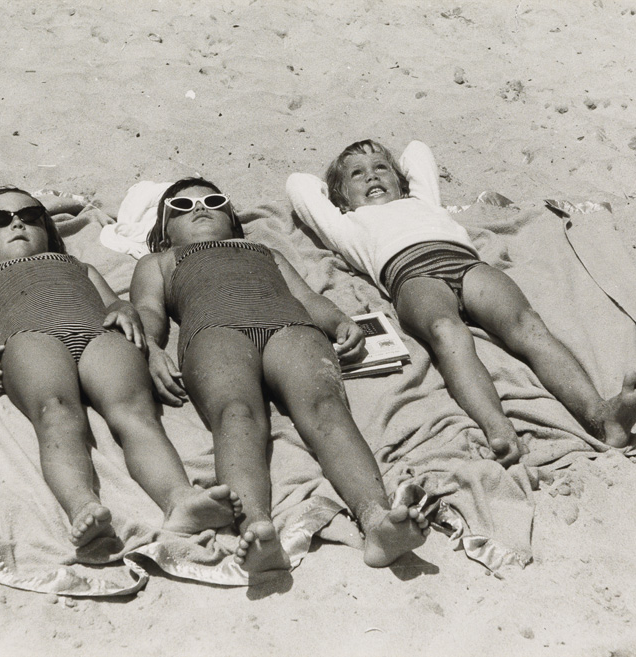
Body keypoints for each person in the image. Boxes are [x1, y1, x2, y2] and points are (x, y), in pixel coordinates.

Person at [287, 140, 636, 463]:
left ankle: (602, 417)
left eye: (381, 168)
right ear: (341, 198)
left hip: (466, 264)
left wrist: (392, 172)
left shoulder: (424, 202)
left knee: (527, 325)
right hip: (413, 276)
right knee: (446, 331)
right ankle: (498, 427)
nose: (371, 177)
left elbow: (418, 151)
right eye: (357, 174)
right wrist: (341, 192)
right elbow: (299, 185)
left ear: (399, 181)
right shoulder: (346, 224)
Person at [129, 177, 429, 574]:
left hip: (289, 324)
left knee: (327, 408)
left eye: (213, 201)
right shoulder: (159, 262)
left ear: (232, 219)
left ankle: (375, 521)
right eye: (181, 207)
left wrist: (339, 321)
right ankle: (257, 529)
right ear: (164, 232)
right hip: (215, 330)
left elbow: (305, 297)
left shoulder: (263, 251)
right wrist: (150, 350)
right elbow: (148, 309)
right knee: (235, 414)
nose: (199, 208)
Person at [0, 186, 241, 547]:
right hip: (30, 336)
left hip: (96, 333)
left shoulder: (78, 267)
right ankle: (83, 505)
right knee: (54, 413)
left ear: (49, 233)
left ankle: (179, 498)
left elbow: (113, 305)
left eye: (29, 217)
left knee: (136, 411)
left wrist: (123, 312)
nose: (16, 224)